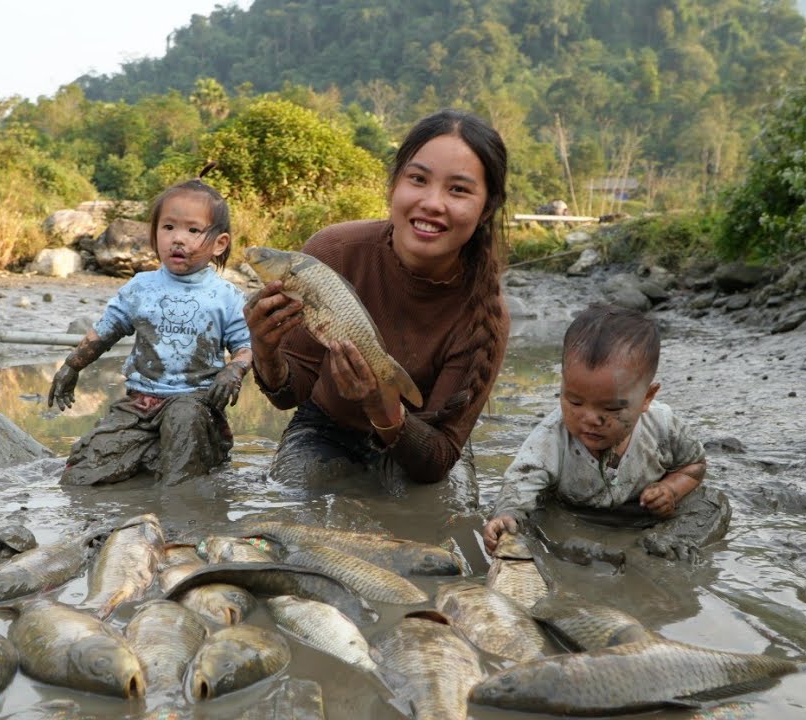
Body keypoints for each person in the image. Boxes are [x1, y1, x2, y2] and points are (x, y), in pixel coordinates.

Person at [243, 109, 510, 492]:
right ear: (392, 187)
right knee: (290, 501)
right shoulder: (332, 251)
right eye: (417, 179)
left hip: (421, 439)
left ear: (486, 209)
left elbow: (436, 458)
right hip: (327, 428)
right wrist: (266, 352)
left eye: (459, 189)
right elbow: (290, 394)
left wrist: (382, 407)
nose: (432, 203)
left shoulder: (487, 314)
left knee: (439, 523)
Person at [47, 169, 252, 486]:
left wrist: (233, 371)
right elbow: (106, 330)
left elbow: (245, 347)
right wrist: (71, 366)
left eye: (193, 230)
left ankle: (182, 493)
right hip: (140, 404)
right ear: (154, 233)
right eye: (168, 227)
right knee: (81, 474)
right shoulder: (141, 287)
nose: (177, 238)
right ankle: (150, 453)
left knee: (182, 453)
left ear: (219, 243)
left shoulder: (226, 296)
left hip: (196, 403)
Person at [482, 304, 730, 561]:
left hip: (642, 512)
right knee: (526, 513)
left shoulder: (663, 426)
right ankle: (561, 548)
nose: (590, 419)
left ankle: (668, 543)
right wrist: (506, 515)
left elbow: (694, 466)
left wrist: (670, 490)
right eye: (575, 402)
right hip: (574, 512)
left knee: (711, 502)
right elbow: (521, 480)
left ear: (647, 397)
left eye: (611, 407)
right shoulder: (551, 437)